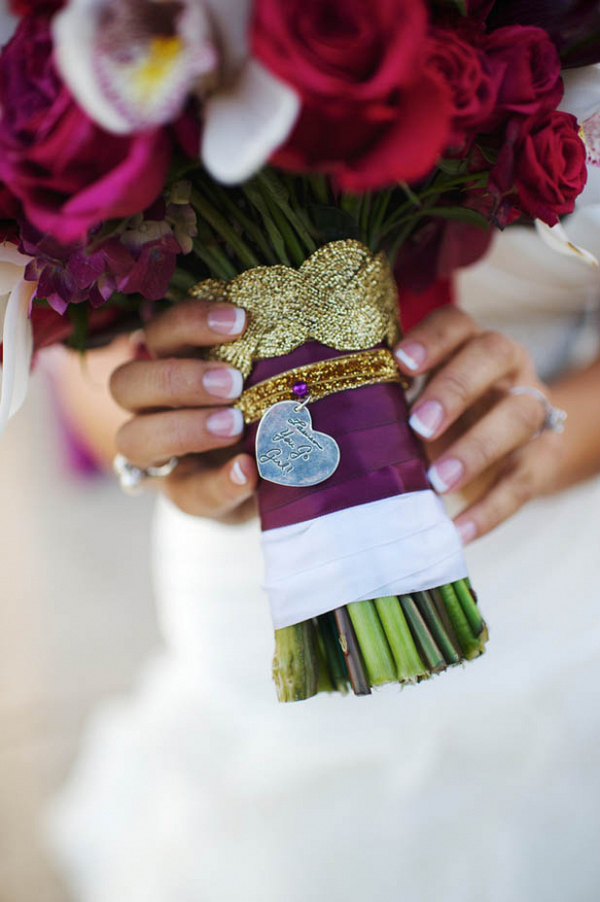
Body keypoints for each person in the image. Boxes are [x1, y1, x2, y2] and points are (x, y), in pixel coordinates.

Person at [46, 207, 600, 901]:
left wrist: (558, 436)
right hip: (252, 566)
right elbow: (77, 354)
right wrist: (160, 429)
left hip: (542, 570)